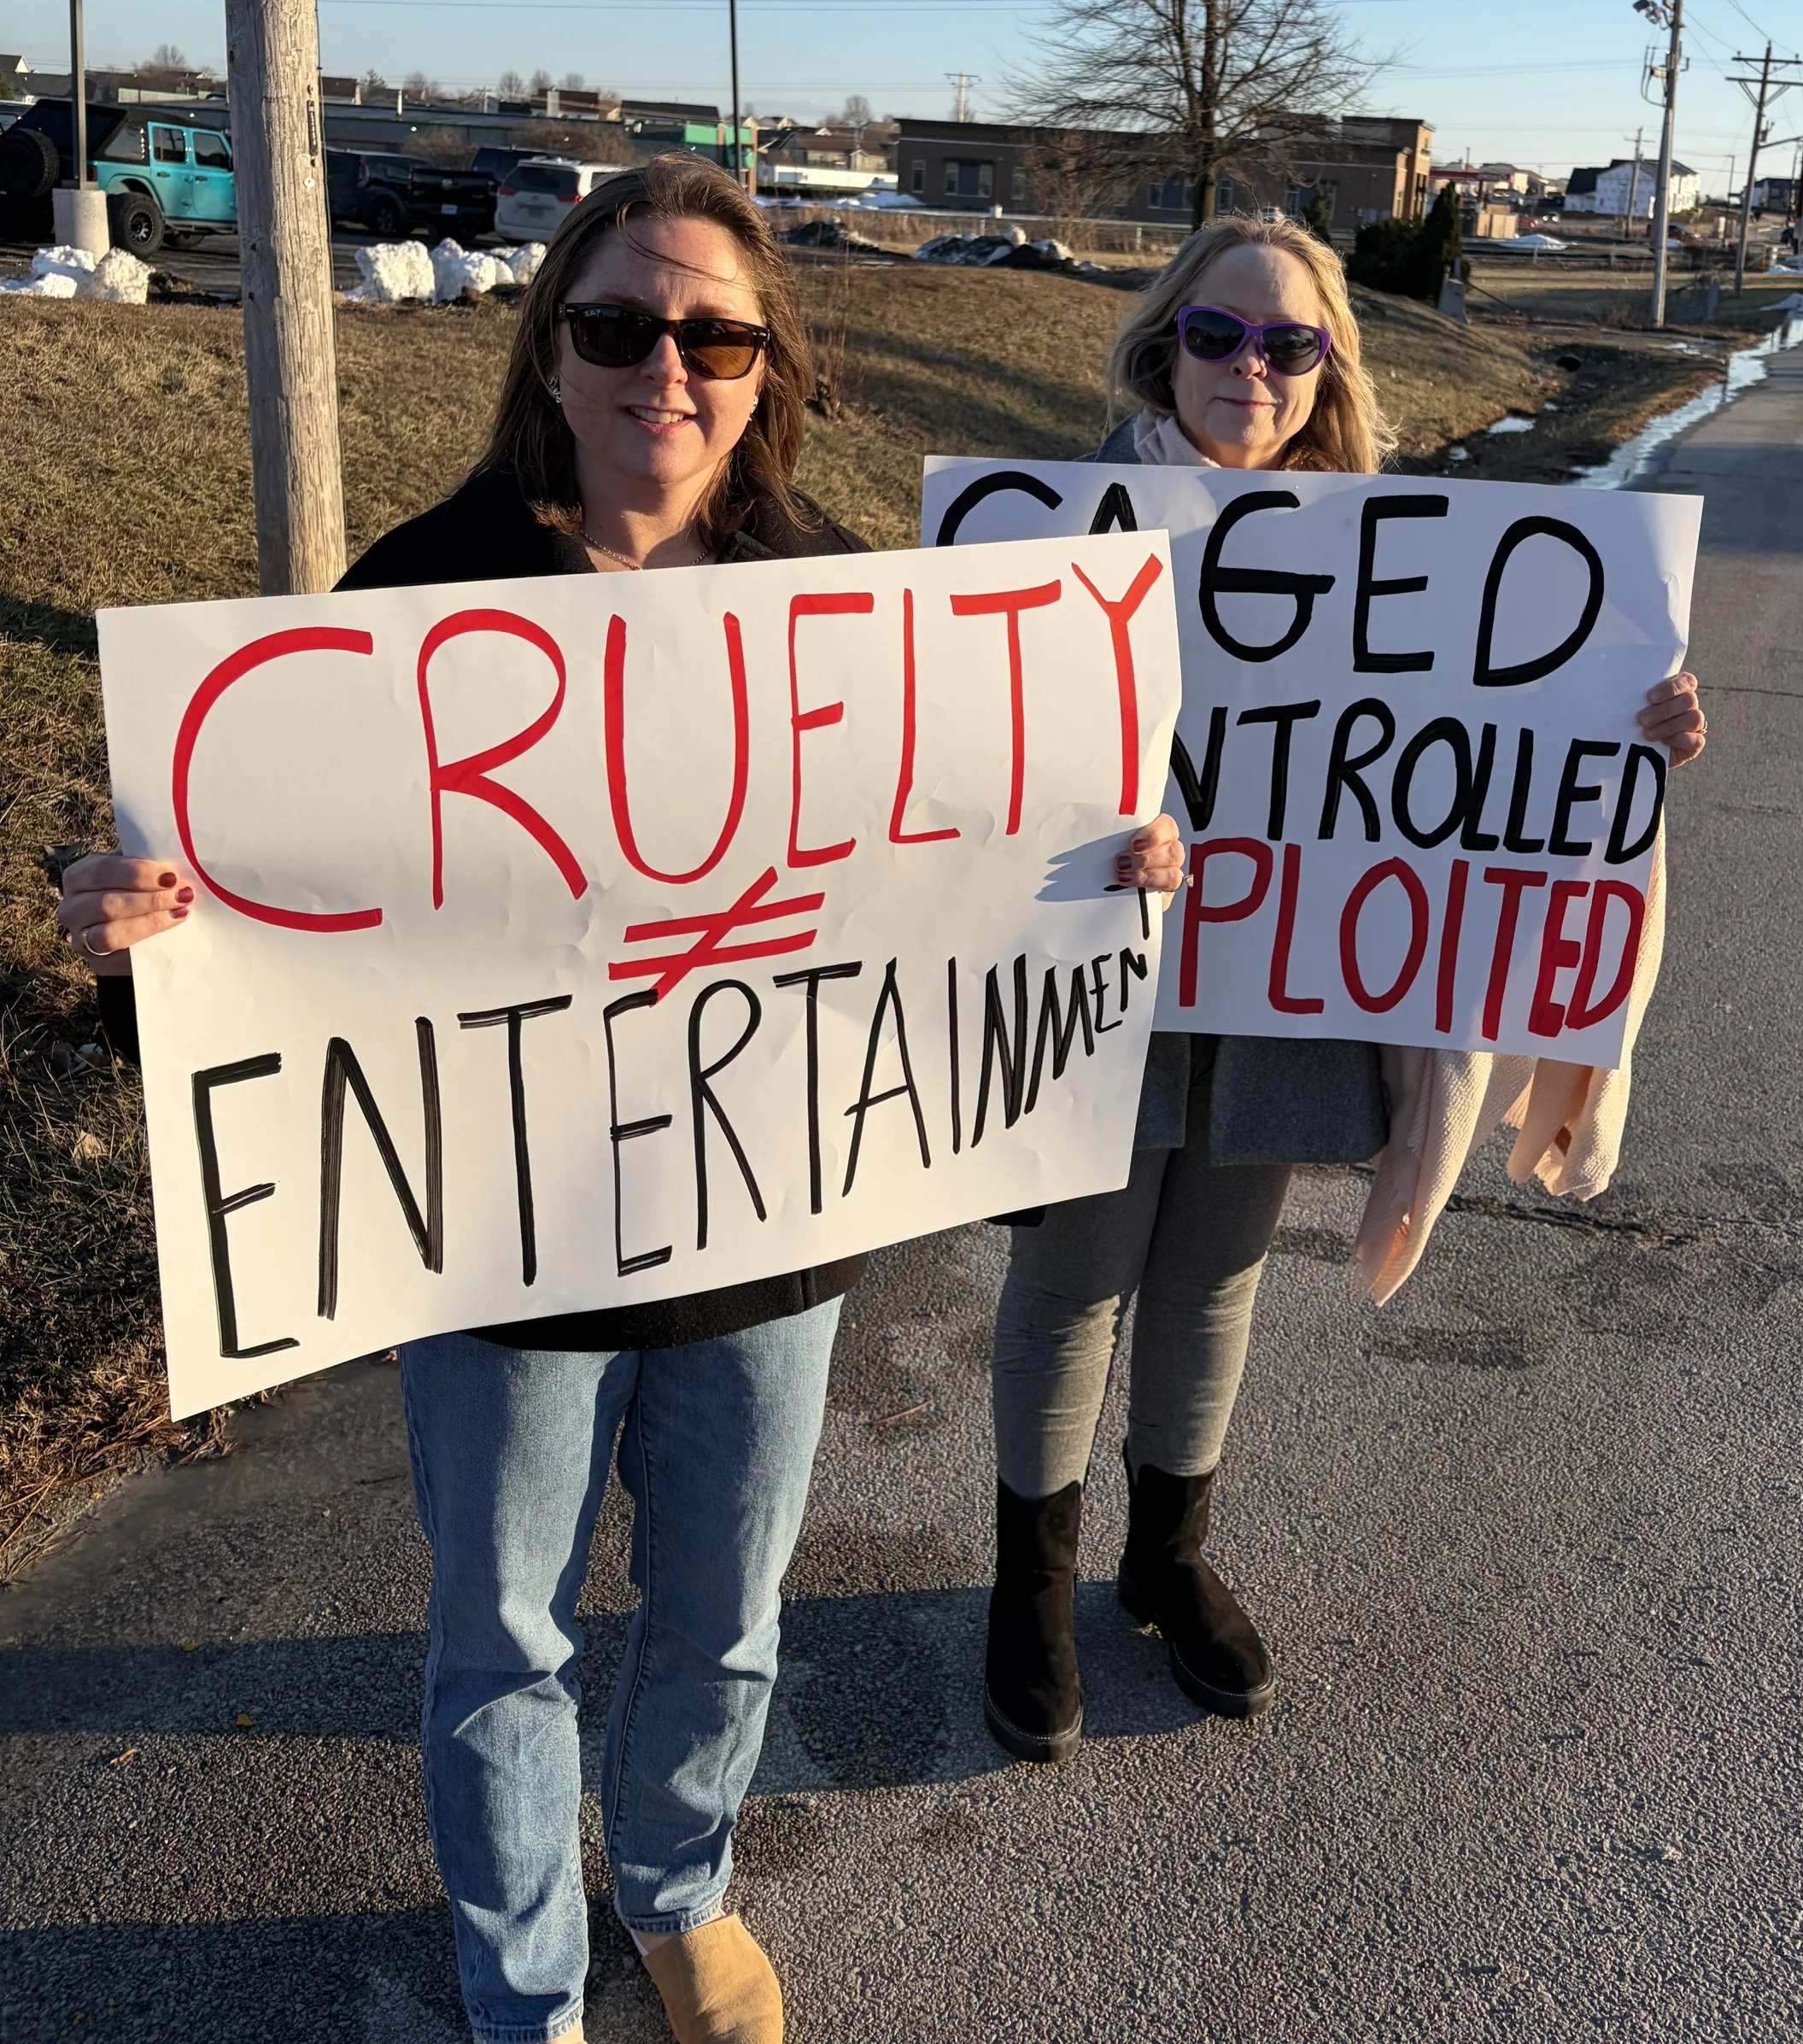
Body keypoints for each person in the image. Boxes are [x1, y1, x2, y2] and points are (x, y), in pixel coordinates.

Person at [57, 155, 1181, 2044]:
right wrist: (141, 946)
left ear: (765, 370)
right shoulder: (416, 598)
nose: (668, 367)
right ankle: (523, 1985)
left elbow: (965, 867)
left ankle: (676, 1888)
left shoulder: (842, 606)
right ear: (552, 353)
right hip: (498, 1247)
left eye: (715, 337)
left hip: (767, 1228)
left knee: (727, 1611)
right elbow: (276, 930)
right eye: (618, 325)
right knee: (503, 1633)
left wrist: (1107, 869)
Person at [981, 214, 1705, 1764]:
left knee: (1214, 1275)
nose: (1251, 366)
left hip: (1282, 985)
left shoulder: (1397, 558)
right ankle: (1028, 1594)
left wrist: (1628, 726)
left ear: (1328, 369)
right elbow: (961, 755)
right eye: (1218, 333)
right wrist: (1081, 835)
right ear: (1162, 347)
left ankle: (1166, 1560)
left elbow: (1497, 745)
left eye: (1289, 342)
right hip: (1099, 966)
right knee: (1075, 1277)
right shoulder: (1043, 531)